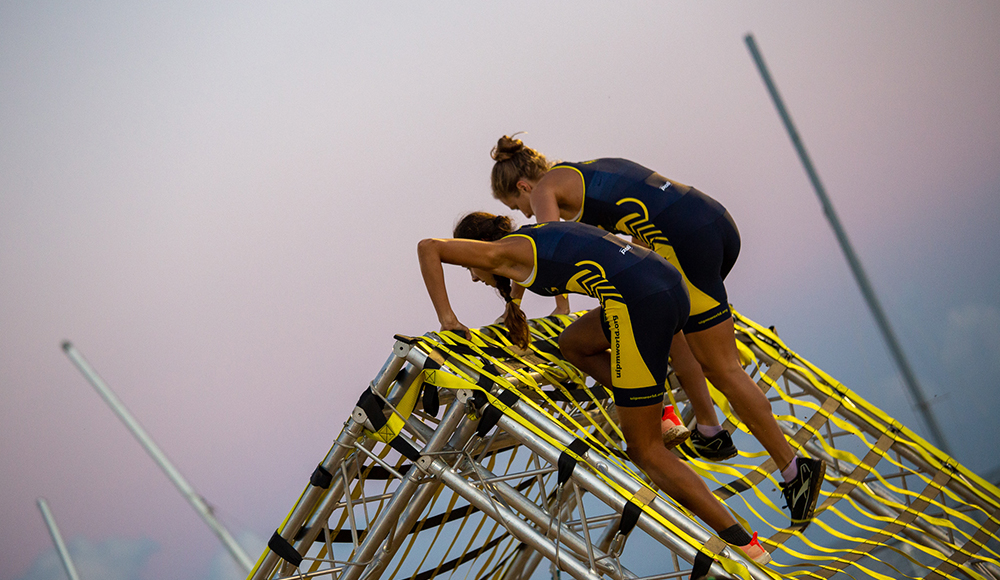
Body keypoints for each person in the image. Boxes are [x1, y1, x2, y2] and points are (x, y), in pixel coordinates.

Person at [489, 135, 825, 530]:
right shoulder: (590, 170)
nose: (524, 214)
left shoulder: (546, 189)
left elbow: (548, 243)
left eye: (517, 206)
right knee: (675, 324)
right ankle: (709, 427)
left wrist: (533, 302)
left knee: (723, 368)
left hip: (685, 242)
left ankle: (793, 469)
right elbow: (635, 236)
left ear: (525, 187)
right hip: (713, 220)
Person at [417, 212, 770, 564]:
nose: (474, 278)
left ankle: (743, 543)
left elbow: (428, 248)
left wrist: (448, 320)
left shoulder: (501, 253)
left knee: (645, 451)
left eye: (469, 270)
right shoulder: (530, 237)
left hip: (639, 304)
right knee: (573, 343)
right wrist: (516, 308)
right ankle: (662, 412)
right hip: (668, 285)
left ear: (476, 247)